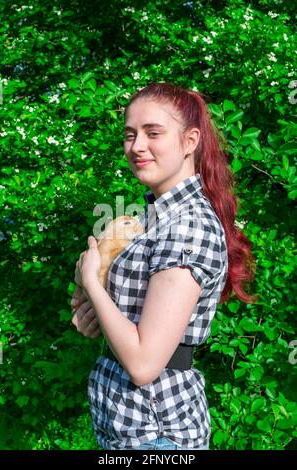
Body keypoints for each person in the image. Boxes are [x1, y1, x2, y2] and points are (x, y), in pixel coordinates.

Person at [71, 82, 258, 451]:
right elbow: (133, 324)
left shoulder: (186, 226)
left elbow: (143, 364)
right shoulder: (153, 218)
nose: (137, 146)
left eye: (153, 133)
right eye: (130, 134)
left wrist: (91, 281)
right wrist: (93, 313)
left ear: (190, 141)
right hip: (129, 428)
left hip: (157, 435)